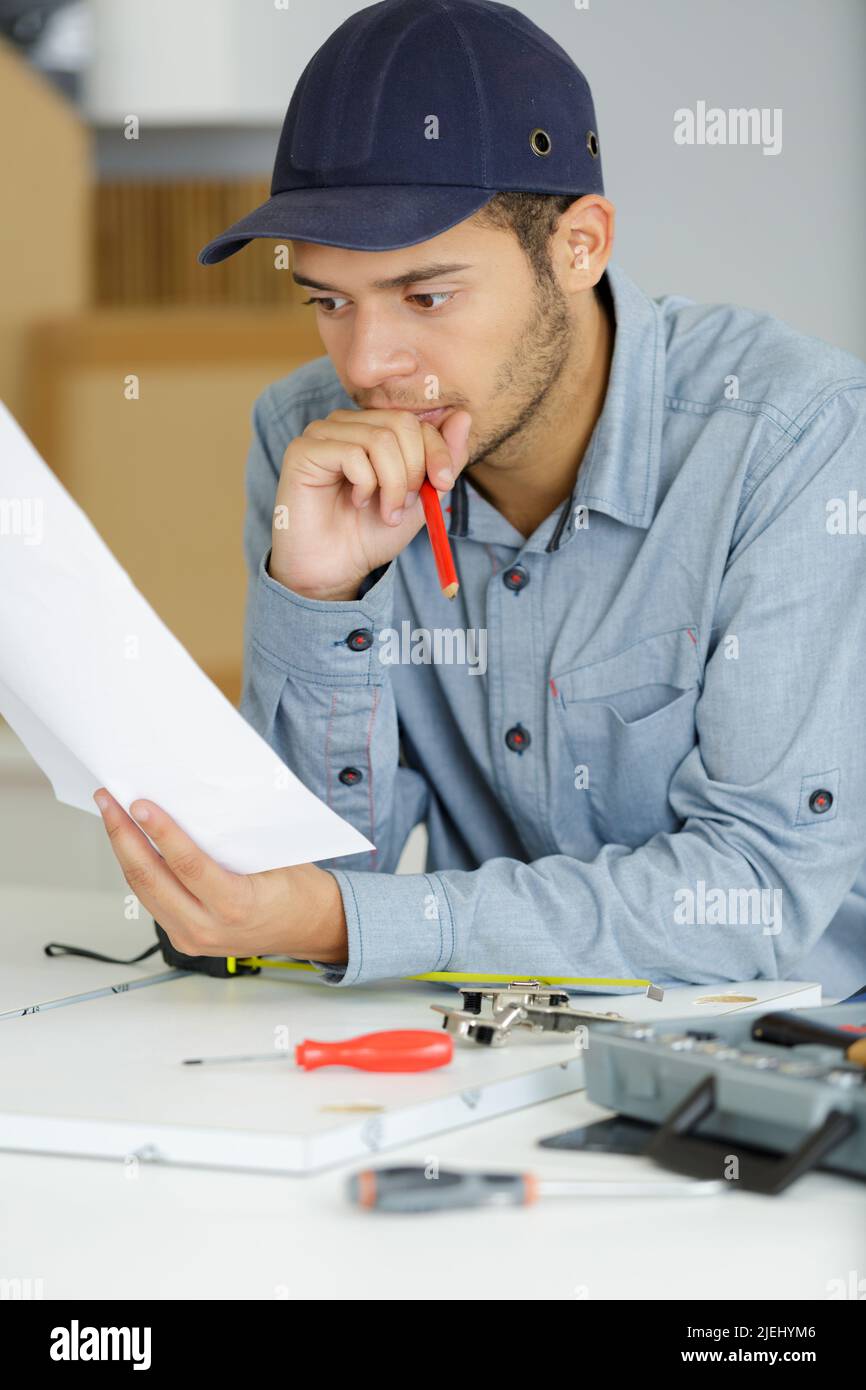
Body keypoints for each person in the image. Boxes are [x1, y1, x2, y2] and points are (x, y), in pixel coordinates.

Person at [95, 0, 866, 998]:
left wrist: (342, 923)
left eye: (426, 296)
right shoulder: (308, 441)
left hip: (803, 1069)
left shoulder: (795, 440)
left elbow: (752, 895)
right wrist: (322, 600)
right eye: (329, 301)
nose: (368, 363)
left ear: (578, 245)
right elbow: (298, 892)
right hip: (503, 1055)